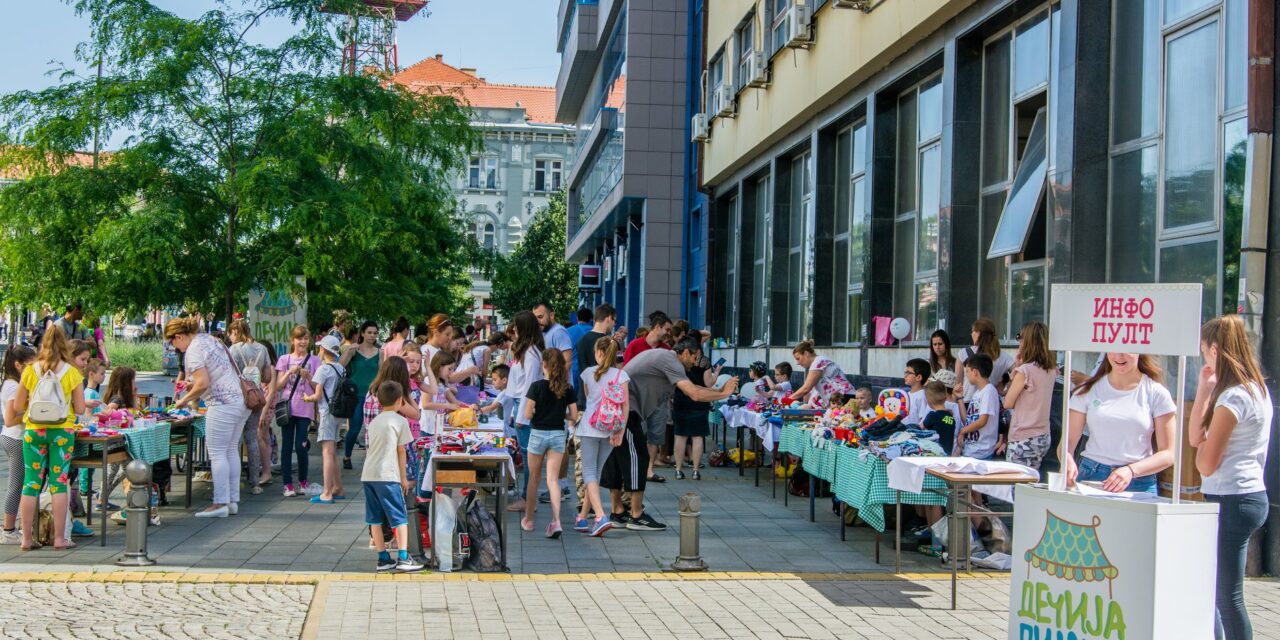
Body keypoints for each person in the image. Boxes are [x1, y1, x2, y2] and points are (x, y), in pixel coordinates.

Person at [1189, 316, 1272, 640]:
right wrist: (1204, 387)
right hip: (1245, 495)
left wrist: (1201, 453)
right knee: (1218, 591)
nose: (1203, 359)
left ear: (1214, 349)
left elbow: (1205, 463)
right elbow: (1197, 436)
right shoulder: (1254, 390)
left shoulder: (1235, 398)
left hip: (1231, 497)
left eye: (1204, 351)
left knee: (1226, 595)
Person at [606, 338, 739, 531]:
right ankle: (636, 515)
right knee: (638, 459)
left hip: (623, 409)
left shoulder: (666, 358)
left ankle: (618, 512)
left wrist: (718, 390)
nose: (695, 362)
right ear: (685, 352)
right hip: (627, 411)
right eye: (694, 357)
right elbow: (694, 394)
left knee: (620, 461)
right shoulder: (671, 361)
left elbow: (695, 389)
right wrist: (723, 394)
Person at [166, 316, 250, 518]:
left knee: (217, 453)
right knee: (230, 450)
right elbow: (213, 375)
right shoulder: (210, 340)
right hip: (239, 401)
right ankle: (232, 500)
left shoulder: (193, 350)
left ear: (179, 336)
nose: (175, 347)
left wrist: (183, 400)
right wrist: (192, 387)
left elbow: (202, 383)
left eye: (173, 343)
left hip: (221, 404)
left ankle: (220, 502)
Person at [12, 326, 86, 549]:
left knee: (31, 483)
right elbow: (81, 408)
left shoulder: (30, 370)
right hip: (62, 432)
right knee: (59, 482)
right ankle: (59, 539)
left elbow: (17, 405)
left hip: (34, 431)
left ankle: (26, 539)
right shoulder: (72, 373)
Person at [1065, 353, 1176, 495]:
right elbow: (1067, 442)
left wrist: (1131, 471)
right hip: (1092, 477)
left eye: (1127, 349)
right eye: (1113, 349)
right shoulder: (1088, 390)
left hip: (1139, 482)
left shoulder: (1157, 393)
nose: (1119, 356)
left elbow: (1168, 453)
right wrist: (1067, 458)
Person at [361, 380, 424, 573]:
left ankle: (383, 558)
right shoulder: (400, 421)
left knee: (374, 519)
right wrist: (403, 478)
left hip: (368, 474)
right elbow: (402, 451)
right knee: (399, 517)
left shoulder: (374, 422)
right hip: (388, 475)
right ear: (399, 401)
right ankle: (404, 558)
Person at [520, 348, 579, 538]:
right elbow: (574, 416)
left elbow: (527, 414)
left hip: (537, 434)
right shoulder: (567, 388)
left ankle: (528, 520)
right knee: (553, 480)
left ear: (543, 364)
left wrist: (540, 412)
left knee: (534, 479)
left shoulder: (536, 386)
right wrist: (561, 414)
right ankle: (556, 521)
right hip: (557, 434)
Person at [574, 337, 626, 536]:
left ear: (598, 353)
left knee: (589, 473)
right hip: (611, 428)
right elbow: (625, 406)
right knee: (594, 474)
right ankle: (582, 518)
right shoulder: (622, 375)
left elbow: (588, 399)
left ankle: (600, 516)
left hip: (590, 427)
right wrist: (619, 430)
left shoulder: (588, 373)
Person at [269, 325, 318, 498]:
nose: (303, 342)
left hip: (305, 407)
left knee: (301, 445)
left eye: (305, 338)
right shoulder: (284, 359)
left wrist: (308, 376)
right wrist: (289, 372)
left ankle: (303, 481)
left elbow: (316, 387)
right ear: (293, 340)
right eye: (299, 338)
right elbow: (278, 386)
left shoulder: (314, 360)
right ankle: (287, 484)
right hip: (288, 407)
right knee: (287, 446)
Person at [504, 311, 544, 513]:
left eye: (516, 325)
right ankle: (528, 498)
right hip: (521, 404)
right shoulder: (527, 351)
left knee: (530, 455)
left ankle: (528, 499)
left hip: (526, 405)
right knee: (528, 453)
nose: (514, 328)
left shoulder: (531, 354)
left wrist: (521, 416)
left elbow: (529, 384)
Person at [1003, 321, 1058, 470]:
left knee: (1016, 487)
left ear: (1027, 341)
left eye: (1020, 337)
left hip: (1023, 436)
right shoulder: (1052, 370)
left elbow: (1007, 402)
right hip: (1043, 435)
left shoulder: (1024, 371)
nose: (1019, 341)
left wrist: (1016, 371)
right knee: (1031, 483)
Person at [229, 319, 273, 491]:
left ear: (235, 332)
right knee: (252, 438)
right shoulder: (262, 349)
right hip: (257, 398)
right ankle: (255, 483)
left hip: (238, 397)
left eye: (231, 334)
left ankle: (234, 481)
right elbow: (267, 378)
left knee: (236, 440)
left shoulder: (234, 349)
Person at [0, 345, 35, 545]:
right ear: (18, 365)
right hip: (16, 438)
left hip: (13, 437)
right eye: (30, 365)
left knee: (18, 484)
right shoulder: (14, 386)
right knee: (17, 485)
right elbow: (10, 419)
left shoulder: (14, 383)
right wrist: (32, 412)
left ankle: (12, 528)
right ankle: (9, 530)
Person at [305, 335, 346, 504]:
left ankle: (327, 492)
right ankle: (338, 487)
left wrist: (306, 398)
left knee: (327, 453)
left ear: (324, 350)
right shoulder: (340, 368)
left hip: (327, 413)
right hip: (338, 413)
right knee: (333, 452)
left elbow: (318, 394)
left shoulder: (323, 369)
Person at [672, 350, 719, 480]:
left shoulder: (678, 363)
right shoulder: (705, 363)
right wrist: (717, 372)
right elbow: (709, 383)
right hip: (700, 401)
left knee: (681, 436)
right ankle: (695, 471)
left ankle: (678, 470)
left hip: (681, 401)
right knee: (697, 437)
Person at [340, 321, 380, 469]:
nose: (372, 336)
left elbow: (382, 373)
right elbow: (340, 365)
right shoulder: (354, 350)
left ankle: (372, 458)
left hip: (373, 396)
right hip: (355, 395)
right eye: (369, 332)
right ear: (362, 333)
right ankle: (347, 456)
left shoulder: (379, 353)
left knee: (374, 429)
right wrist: (349, 350)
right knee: (355, 428)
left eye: (375, 333)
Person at [954, 318, 1015, 399]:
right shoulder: (1003, 356)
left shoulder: (964, 353)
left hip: (968, 402)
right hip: (991, 399)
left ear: (978, 333)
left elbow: (958, 382)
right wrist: (1005, 391)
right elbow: (1018, 374)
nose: (971, 334)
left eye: (973, 331)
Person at [956, 354, 1001, 459]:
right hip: (971, 450)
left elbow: (982, 421)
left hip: (981, 452)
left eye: (967, 371)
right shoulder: (977, 393)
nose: (966, 375)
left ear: (975, 372)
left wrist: (962, 431)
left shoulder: (989, 391)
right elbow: (968, 420)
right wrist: (960, 398)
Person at [787, 341, 855, 408]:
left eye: (798, 358)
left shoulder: (818, 362)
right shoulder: (819, 361)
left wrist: (788, 399)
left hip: (844, 397)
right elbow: (815, 391)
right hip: (843, 397)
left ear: (806, 353)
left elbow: (806, 388)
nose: (797, 363)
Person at [533, 302, 574, 369]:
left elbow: (567, 362)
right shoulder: (544, 332)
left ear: (551, 315)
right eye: (535, 319)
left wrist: (554, 379)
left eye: (540, 317)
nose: (537, 321)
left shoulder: (558, 332)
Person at [566, 307, 594, 393]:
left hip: (573, 371)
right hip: (592, 371)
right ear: (591, 319)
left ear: (577, 318)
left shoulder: (568, 331)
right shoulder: (596, 332)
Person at [901, 358, 930, 426]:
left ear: (919, 377)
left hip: (914, 434)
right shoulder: (905, 395)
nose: (905, 375)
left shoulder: (922, 396)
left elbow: (923, 419)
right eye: (905, 372)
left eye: (908, 373)